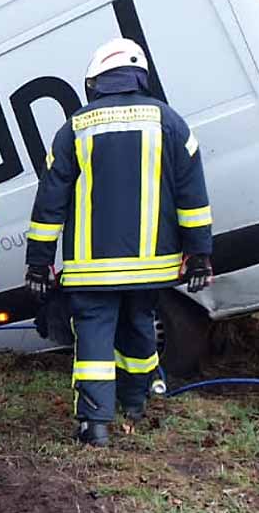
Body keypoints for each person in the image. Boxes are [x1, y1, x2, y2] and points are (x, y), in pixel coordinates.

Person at [25, 37, 213, 448]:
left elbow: (50, 200)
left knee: (94, 337)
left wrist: (39, 261)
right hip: (152, 265)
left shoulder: (76, 127)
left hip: (92, 267)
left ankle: (94, 425)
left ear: (95, 81)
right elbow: (192, 195)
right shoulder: (170, 122)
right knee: (139, 324)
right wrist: (199, 254)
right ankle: (135, 403)